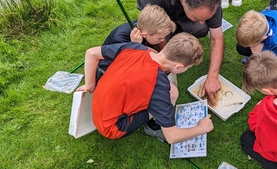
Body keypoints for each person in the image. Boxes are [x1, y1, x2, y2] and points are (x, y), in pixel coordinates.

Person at [76, 32, 214, 144]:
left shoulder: (135, 47)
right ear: (178, 67)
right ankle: (153, 127)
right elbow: (173, 137)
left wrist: (90, 84)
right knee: (172, 93)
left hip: (98, 106)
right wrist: (201, 128)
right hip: (112, 127)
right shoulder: (158, 86)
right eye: (188, 68)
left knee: (167, 90)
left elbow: (91, 53)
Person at [136, 0, 224, 106]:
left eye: (205, 18)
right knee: (155, 36)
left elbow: (217, 38)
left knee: (200, 30)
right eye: (197, 17)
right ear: (183, 2)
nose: (203, 22)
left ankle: (178, 29)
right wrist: (167, 60)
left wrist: (213, 76)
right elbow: (157, 31)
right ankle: (174, 30)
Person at [96, 4, 176, 81]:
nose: (162, 40)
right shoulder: (120, 39)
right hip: (109, 70)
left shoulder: (146, 25)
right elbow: (129, 65)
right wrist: (136, 46)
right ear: (144, 35)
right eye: (160, 38)